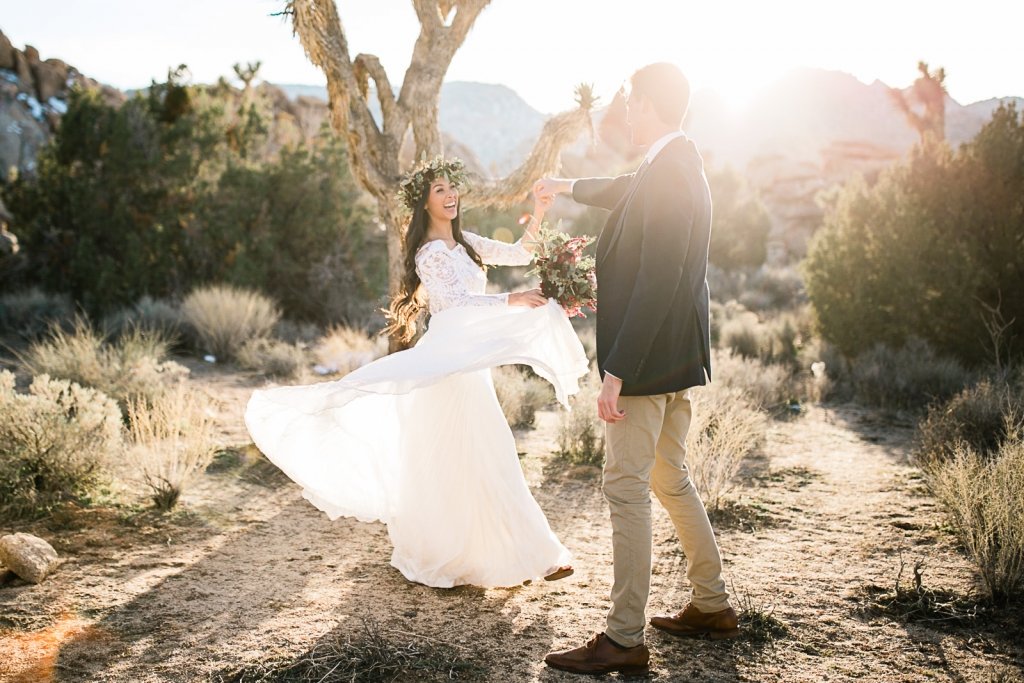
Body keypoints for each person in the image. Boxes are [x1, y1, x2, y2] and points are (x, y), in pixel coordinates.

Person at [244, 156, 588, 588]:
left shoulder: (467, 245)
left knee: (491, 454)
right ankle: (476, 556)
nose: (450, 195)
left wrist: (539, 209)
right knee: (459, 459)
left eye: (452, 187)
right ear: (424, 202)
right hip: (446, 362)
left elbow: (521, 251)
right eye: (439, 189)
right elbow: (458, 302)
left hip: (468, 361)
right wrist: (512, 300)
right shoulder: (430, 254)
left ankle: (525, 556)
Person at [534, 62, 738, 676]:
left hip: (646, 366)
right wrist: (564, 185)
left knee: (626, 488)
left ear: (647, 104)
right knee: (669, 479)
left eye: (628, 102)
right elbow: (623, 188)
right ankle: (711, 603)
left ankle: (623, 638)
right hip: (672, 360)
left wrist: (617, 369)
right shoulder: (670, 164)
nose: (622, 112)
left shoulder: (673, 170)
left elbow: (659, 279)